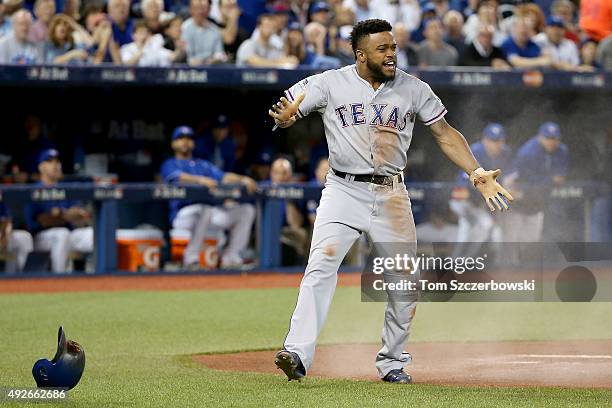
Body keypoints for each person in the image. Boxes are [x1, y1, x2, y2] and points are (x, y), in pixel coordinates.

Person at [268, 18, 512, 384]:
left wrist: (476, 173)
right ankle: (297, 354)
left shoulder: (413, 88)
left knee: (403, 280)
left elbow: (444, 134)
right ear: (360, 54)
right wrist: (285, 119)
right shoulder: (330, 82)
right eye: (382, 48)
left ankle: (393, 361)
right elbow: (288, 106)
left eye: (393, 46)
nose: (391, 54)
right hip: (342, 191)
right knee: (321, 266)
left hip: (391, 193)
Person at [160, 126, 257, 269]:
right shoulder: (170, 163)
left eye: (188, 139)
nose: (185, 142)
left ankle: (231, 257)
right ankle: (191, 259)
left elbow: (224, 177)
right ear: (173, 143)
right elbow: (178, 178)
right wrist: (200, 180)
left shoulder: (202, 164)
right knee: (204, 209)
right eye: (180, 139)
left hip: (208, 215)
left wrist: (243, 179)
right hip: (182, 216)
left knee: (246, 210)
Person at [448, 123, 512, 258]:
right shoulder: (475, 151)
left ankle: (460, 262)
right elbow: (465, 186)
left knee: (477, 230)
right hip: (463, 202)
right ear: (485, 140)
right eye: (493, 140)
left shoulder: (505, 153)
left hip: (479, 204)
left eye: (500, 140)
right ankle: (460, 262)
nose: (497, 144)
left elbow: (507, 179)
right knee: (481, 225)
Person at [24, 149, 94, 273]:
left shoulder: (65, 188)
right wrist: (66, 215)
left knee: (93, 234)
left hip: (68, 234)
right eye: (50, 161)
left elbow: (80, 215)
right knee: (61, 234)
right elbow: (43, 221)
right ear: (41, 167)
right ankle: (59, 279)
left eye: (57, 161)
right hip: (41, 238)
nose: (55, 165)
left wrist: (60, 214)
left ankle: (100, 278)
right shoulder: (35, 189)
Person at [504, 122, 568, 243]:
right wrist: (550, 180)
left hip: (537, 201)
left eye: (554, 138)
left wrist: (549, 181)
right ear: (540, 137)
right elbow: (525, 179)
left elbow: (560, 177)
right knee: (511, 239)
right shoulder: (528, 152)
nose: (551, 142)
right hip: (517, 197)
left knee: (531, 240)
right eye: (548, 138)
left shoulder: (562, 151)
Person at [181, 0, 226, 65]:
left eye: (203, 8)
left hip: (211, 67)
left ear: (209, 9)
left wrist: (216, 58)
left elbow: (219, 53)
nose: (200, 11)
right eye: (197, 8)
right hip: (189, 69)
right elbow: (187, 55)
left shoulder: (215, 30)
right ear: (191, 10)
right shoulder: (184, 28)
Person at [0, 202, 33, 272]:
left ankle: (25, 276)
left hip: (2, 235)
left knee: (23, 237)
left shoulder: (2, 205)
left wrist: (5, 236)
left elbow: (6, 221)